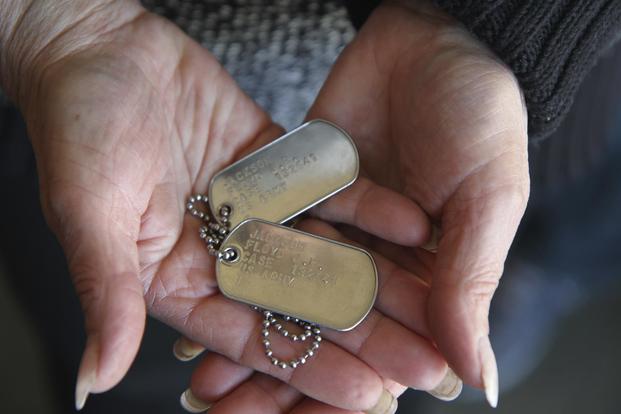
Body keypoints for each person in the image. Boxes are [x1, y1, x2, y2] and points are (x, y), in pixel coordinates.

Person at [0, 1, 618, 413]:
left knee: (495, 291)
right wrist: (43, 19)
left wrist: (490, 25)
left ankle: (525, 303)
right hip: (124, 156)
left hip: (529, 132)